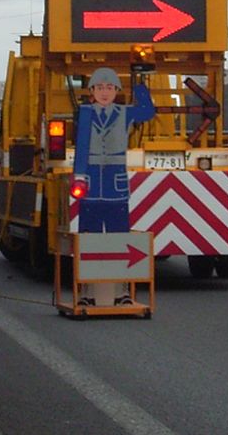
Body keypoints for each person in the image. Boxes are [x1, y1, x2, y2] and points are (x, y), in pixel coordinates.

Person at [71, 67, 155, 305]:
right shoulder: (85, 113)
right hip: (91, 185)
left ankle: (122, 293)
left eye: (109, 87)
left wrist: (139, 85)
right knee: (89, 240)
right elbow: (81, 146)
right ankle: (87, 293)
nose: (104, 92)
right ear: (92, 91)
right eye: (100, 87)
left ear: (117, 90)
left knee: (119, 240)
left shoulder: (124, 112)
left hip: (115, 186)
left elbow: (148, 111)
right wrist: (79, 176)